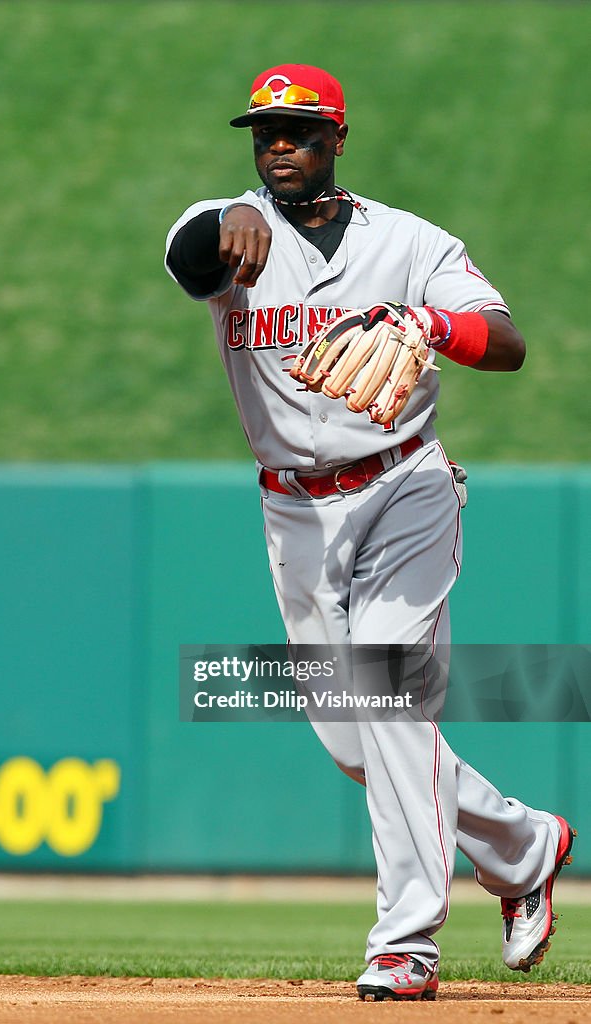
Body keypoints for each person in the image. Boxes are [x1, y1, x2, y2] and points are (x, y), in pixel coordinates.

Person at [164, 63, 575, 1002]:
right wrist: (213, 230)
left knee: (389, 703)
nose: (278, 144)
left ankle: (405, 943)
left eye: (299, 129)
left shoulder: (409, 241)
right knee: (354, 743)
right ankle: (521, 844)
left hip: (403, 488)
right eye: (265, 130)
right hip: (293, 510)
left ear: (336, 139)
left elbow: (505, 342)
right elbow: (188, 259)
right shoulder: (228, 229)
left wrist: (426, 321)